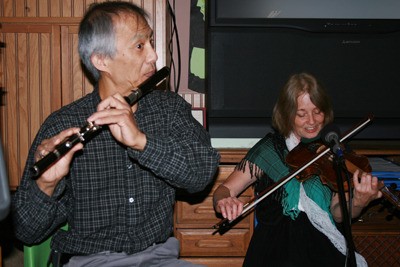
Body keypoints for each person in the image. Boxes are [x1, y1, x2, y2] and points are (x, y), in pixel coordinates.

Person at [12, 2, 219, 267]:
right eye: (140, 46)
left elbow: (202, 172)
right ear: (101, 60)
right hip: (89, 261)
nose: (154, 56)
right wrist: (47, 184)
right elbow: (27, 231)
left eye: (150, 42)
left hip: (158, 258)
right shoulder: (62, 124)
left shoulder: (169, 109)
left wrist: (142, 143)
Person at [213, 73, 382, 267]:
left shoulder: (335, 151)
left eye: (317, 112)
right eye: (301, 114)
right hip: (273, 249)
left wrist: (359, 202)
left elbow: (338, 213)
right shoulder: (269, 149)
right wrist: (224, 201)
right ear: (287, 115)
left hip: (322, 243)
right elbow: (224, 190)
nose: (311, 121)